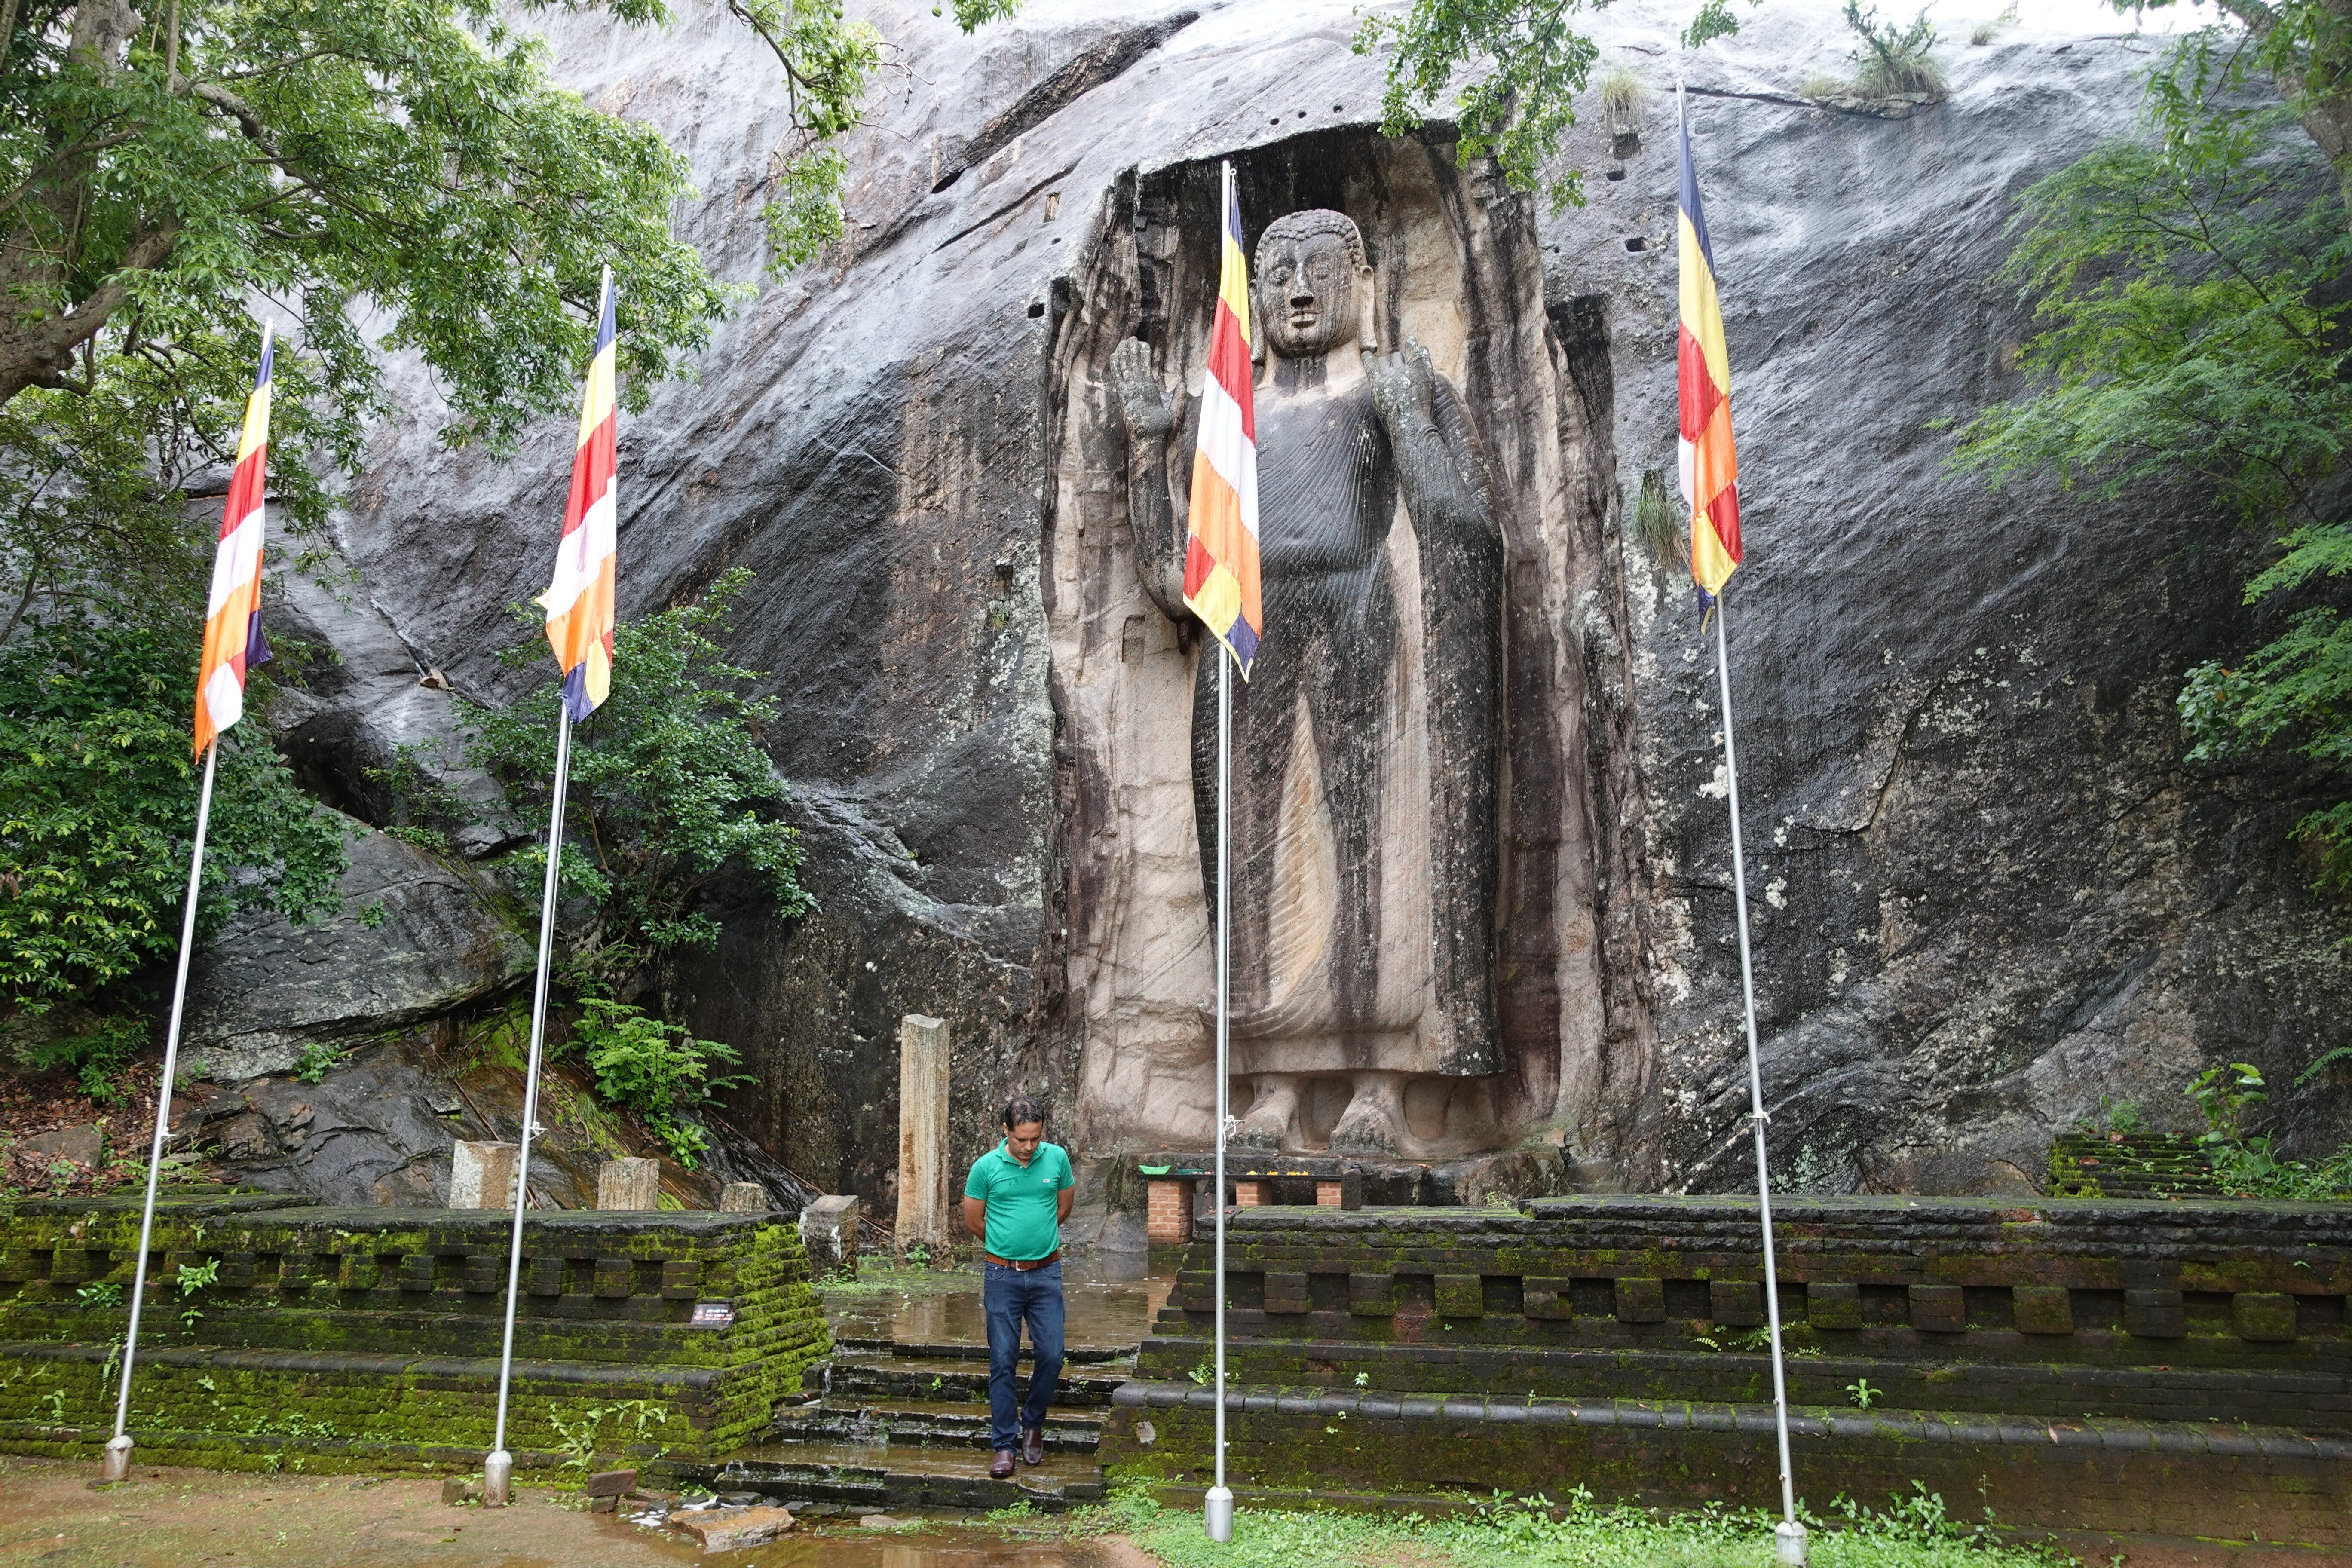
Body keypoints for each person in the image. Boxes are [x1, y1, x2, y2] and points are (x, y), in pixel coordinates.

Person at [962, 1095, 1074, 1479]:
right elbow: (974, 1221)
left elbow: (1063, 1209)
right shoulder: (985, 1168)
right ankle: (1004, 1445)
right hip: (1002, 1277)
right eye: (1022, 1139)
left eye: (1035, 1139)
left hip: (1046, 1274)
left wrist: (1037, 1243)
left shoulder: (1056, 1159)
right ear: (1006, 1130)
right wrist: (1006, 1249)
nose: (1029, 1147)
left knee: (1053, 1355)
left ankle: (1034, 1423)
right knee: (1003, 1359)